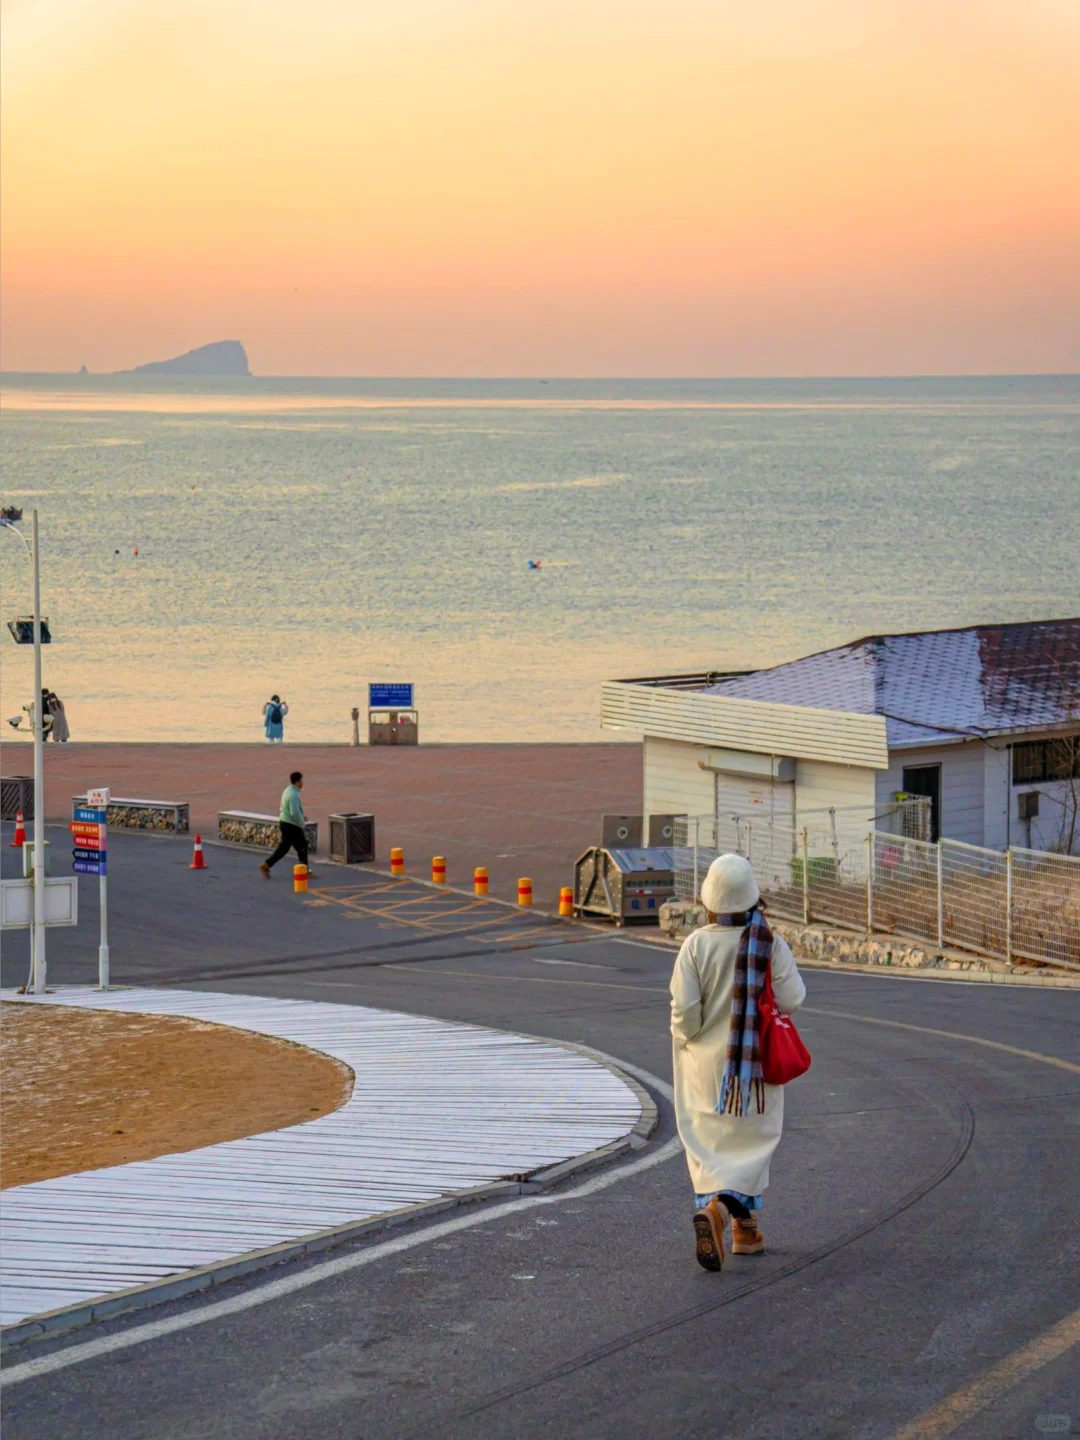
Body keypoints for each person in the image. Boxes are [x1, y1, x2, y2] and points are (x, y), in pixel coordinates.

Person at [670, 853, 805, 1271]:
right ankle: (726, 1217)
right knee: (750, 1146)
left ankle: (739, 1226)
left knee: (713, 1147)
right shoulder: (771, 943)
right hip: (753, 1068)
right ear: (752, 900)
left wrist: (690, 1039)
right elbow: (793, 999)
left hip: (706, 1070)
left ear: (710, 899)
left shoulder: (694, 946)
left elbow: (685, 1014)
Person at [259, 771, 315, 879]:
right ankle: (305, 871)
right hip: (291, 825)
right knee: (302, 847)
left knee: (284, 848)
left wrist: (301, 817)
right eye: (302, 780)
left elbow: (293, 810)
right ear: (298, 781)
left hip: (285, 823)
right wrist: (301, 823)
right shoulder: (293, 794)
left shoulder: (288, 790)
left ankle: (266, 865)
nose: (303, 783)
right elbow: (294, 812)